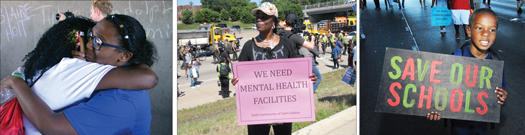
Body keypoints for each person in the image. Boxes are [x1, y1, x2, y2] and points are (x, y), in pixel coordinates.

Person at [1, 14, 158, 134]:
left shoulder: (121, 100)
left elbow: (53, 127)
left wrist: (16, 82)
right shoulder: (111, 69)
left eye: (98, 42)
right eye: (91, 35)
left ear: (123, 57)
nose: (89, 44)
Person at [230, 2, 317, 134]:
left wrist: (309, 78)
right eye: (257, 16)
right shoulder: (249, 46)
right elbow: (241, 77)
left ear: (273, 22)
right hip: (257, 110)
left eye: (264, 16)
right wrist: (236, 81)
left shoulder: (286, 44)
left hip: (283, 107)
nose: (259, 19)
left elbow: (297, 72)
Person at [426, 9, 508, 135]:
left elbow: (500, 89)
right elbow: (441, 92)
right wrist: (435, 109)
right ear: (469, 31)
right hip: (459, 125)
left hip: (481, 126)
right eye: (480, 28)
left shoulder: (496, 61)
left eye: (492, 29)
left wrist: (501, 96)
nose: (486, 33)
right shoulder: (456, 58)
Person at [277, 13, 322, 93]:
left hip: (281, 66)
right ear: (294, 23)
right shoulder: (295, 37)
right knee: (316, 77)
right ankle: (308, 93)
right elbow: (311, 47)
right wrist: (312, 39)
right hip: (293, 65)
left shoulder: (278, 34)